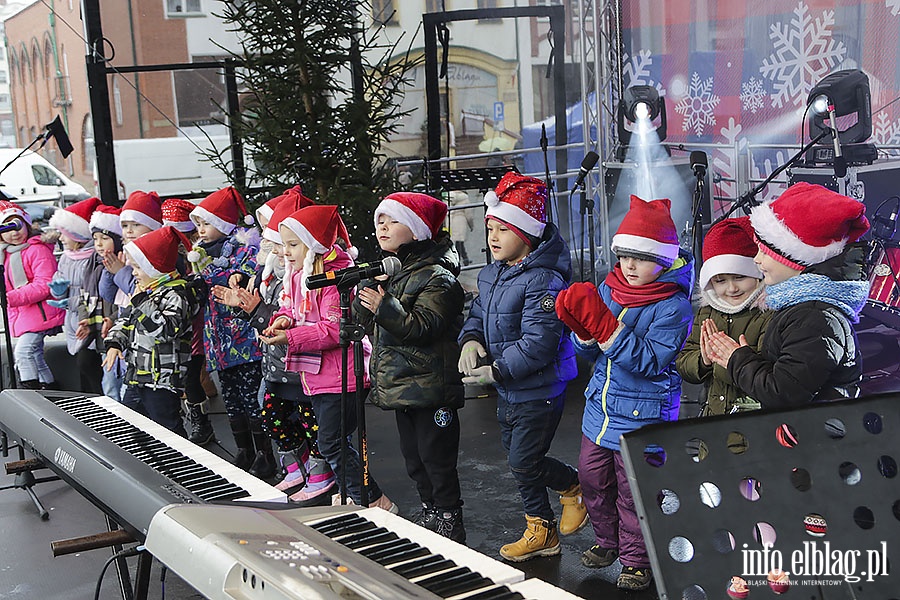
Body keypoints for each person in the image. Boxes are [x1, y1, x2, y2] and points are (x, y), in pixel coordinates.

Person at [555, 195, 694, 591]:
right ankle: (607, 542)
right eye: (625, 256)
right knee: (593, 479)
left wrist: (605, 331)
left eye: (641, 257)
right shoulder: (611, 287)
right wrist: (581, 330)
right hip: (600, 412)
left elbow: (650, 361)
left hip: (644, 418)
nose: (630, 266)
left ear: (664, 260)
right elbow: (588, 350)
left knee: (635, 492)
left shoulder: (673, 307)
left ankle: (636, 560)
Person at [457, 173, 583, 560]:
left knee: (523, 460)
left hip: (539, 389)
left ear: (526, 235)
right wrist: (471, 339)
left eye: (502, 230)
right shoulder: (492, 273)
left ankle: (574, 487)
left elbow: (539, 343)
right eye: (490, 227)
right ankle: (541, 530)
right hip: (509, 388)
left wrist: (495, 370)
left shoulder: (543, 280)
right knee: (519, 461)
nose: (492, 237)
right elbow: (478, 313)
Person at [262, 205, 396, 512]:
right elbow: (293, 310)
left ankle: (373, 499)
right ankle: (356, 493)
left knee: (331, 443)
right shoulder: (301, 275)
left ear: (315, 245)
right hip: (320, 378)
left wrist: (291, 337)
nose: (286, 252)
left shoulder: (336, 279)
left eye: (293, 244)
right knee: (333, 442)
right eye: (284, 245)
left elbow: (335, 330)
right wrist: (283, 320)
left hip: (342, 376)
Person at [214, 191, 336, 504]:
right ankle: (296, 465)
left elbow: (306, 323)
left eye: (285, 243)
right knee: (272, 414)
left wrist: (259, 312)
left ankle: (319, 471)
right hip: (278, 364)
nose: (276, 250)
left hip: (303, 367)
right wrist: (248, 309)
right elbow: (276, 318)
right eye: (272, 242)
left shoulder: (303, 277)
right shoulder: (271, 277)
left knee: (313, 423)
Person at [355, 192, 464, 541]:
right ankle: (430, 508)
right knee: (414, 457)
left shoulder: (437, 277)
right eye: (380, 221)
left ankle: (449, 514)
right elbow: (371, 324)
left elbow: (421, 327)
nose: (383, 227)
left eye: (394, 220)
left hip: (432, 389)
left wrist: (384, 305)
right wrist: (362, 301)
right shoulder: (392, 272)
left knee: (436, 456)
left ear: (417, 231)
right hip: (403, 385)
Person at [706, 183, 870, 406]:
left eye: (765, 252)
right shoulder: (803, 310)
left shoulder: (814, 319)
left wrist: (737, 359)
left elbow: (783, 393)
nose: (757, 260)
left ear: (795, 259)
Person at [188, 187, 269, 475]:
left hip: (242, 339)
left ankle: (264, 453)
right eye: (197, 225)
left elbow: (246, 279)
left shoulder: (245, 248)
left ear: (222, 223)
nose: (201, 230)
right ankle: (244, 449)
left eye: (206, 223)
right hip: (218, 340)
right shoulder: (200, 255)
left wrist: (230, 276)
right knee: (231, 399)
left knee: (250, 397)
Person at [103, 226, 197, 436]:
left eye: (137, 267)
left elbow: (165, 330)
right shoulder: (144, 292)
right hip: (138, 375)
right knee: (131, 425)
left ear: (155, 268)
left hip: (162, 380)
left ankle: (181, 465)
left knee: (167, 429)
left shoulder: (177, 295)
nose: (133, 273)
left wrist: (142, 302)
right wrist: (114, 343)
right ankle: (145, 465)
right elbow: (126, 320)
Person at [676, 217, 770, 415]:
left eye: (739, 277)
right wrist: (703, 361)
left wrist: (728, 358)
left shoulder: (768, 313)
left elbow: (769, 377)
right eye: (720, 280)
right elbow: (684, 361)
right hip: (714, 417)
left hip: (755, 421)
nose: (732, 288)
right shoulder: (707, 312)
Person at [162, 197, 219, 446]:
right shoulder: (164, 253)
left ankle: (201, 422)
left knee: (191, 375)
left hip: (196, 325)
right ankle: (193, 418)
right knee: (183, 377)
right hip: (174, 323)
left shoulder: (199, 254)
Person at [0, 200, 65, 389]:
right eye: (6, 228)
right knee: (35, 355)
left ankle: (31, 391)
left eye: (17, 225)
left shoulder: (37, 249)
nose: (14, 232)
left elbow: (45, 283)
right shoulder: (6, 255)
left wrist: (10, 298)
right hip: (25, 315)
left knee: (24, 352)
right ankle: (49, 388)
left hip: (41, 312)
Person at [47, 196, 104, 394]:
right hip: (73, 323)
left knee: (89, 366)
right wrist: (57, 290)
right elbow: (59, 279)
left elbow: (93, 293)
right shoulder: (66, 257)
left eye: (64, 234)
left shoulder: (93, 259)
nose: (61, 239)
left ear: (77, 235)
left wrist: (69, 301)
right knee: (83, 372)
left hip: (90, 324)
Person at [78, 204, 125, 400]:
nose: (98, 244)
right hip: (100, 335)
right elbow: (84, 295)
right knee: (109, 382)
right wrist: (86, 320)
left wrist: (113, 318)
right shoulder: (91, 264)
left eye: (105, 238)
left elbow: (125, 299)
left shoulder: (122, 261)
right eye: (95, 238)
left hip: (119, 332)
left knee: (117, 381)